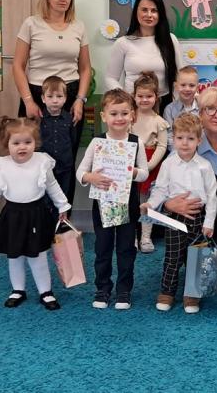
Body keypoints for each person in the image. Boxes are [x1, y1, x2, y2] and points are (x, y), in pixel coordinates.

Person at [0, 117, 69, 309]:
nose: (22, 147)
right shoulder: (3, 165)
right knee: (14, 256)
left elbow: (52, 186)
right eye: (16, 143)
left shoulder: (42, 162)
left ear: (36, 143)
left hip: (36, 215)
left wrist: (63, 205)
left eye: (27, 142)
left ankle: (46, 292)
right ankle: (18, 290)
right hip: (12, 216)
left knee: (38, 256)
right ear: (6, 144)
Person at [76, 89, 148, 310]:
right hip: (103, 205)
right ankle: (103, 288)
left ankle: (124, 290)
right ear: (104, 116)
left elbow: (145, 173)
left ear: (132, 115)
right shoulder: (97, 142)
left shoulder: (136, 142)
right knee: (103, 248)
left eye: (124, 113)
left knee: (126, 249)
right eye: (114, 113)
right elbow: (80, 172)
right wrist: (91, 177)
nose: (119, 118)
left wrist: (132, 172)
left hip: (128, 204)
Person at [142, 114, 217, 314]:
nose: (185, 143)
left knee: (196, 256)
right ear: (173, 139)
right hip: (174, 218)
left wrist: (209, 222)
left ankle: (192, 294)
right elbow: (160, 189)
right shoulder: (168, 164)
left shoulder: (204, 166)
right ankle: (167, 291)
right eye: (180, 138)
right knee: (172, 256)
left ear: (199, 140)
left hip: (198, 218)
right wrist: (151, 203)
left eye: (190, 138)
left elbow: (212, 196)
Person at [13, 0, 91, 163]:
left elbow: (85, 68)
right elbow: (17, 65)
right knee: (33, 154)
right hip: (36, 95)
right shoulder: (31, 24)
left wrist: (80, 100)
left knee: (67, 156)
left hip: (70, 97)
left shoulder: (78, 26)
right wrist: (28, 101)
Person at [164, 87, 217, 275]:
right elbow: (159, 186)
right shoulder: (186, 146)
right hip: (200, 222)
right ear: (200, 113)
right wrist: (168, 203)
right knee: (200, 272)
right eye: (210, 108)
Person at [104, 0, 182, 113]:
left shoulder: (170, 40)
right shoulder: (123, 43)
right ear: (136, 11)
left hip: (164, 105)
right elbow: (110, 78)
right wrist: (125, 98)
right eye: (144, 10)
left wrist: (179, 103)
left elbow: (181, 75)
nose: (149, 15)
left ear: (160, 14)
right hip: (133, 106)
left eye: (154, 10)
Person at [131, 72, 169, 253]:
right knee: (130, 203)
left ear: (156, 97)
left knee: (147, 203)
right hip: (130, 164)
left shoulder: (159, 121)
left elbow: (162, 146)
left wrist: (149, 165)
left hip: (150, 164)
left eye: (149, 96)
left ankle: (146, 237)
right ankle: (131, 237)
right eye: (140, 96)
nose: (144, 100)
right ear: (134, 96)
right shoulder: (129, 117)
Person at [38, 75, 79, 206]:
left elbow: (73, 140)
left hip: (64, 165)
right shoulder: (39, 119)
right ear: (43, 98)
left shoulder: (70, 119)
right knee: (44, 198)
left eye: (59, 96)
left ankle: (62, 218)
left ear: (65, 98)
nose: (55, 100)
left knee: (63, 196)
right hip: (44, 167)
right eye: (50, 96)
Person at [162, 66, 200, 150]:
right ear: (176, 86)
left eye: (191, 85)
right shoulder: (169, 110)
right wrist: (181, 152)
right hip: (177, 153)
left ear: (197, 87)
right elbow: (169, 137)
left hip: (199, 152)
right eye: (183, 85)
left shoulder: (202, 108)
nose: (187, 89)